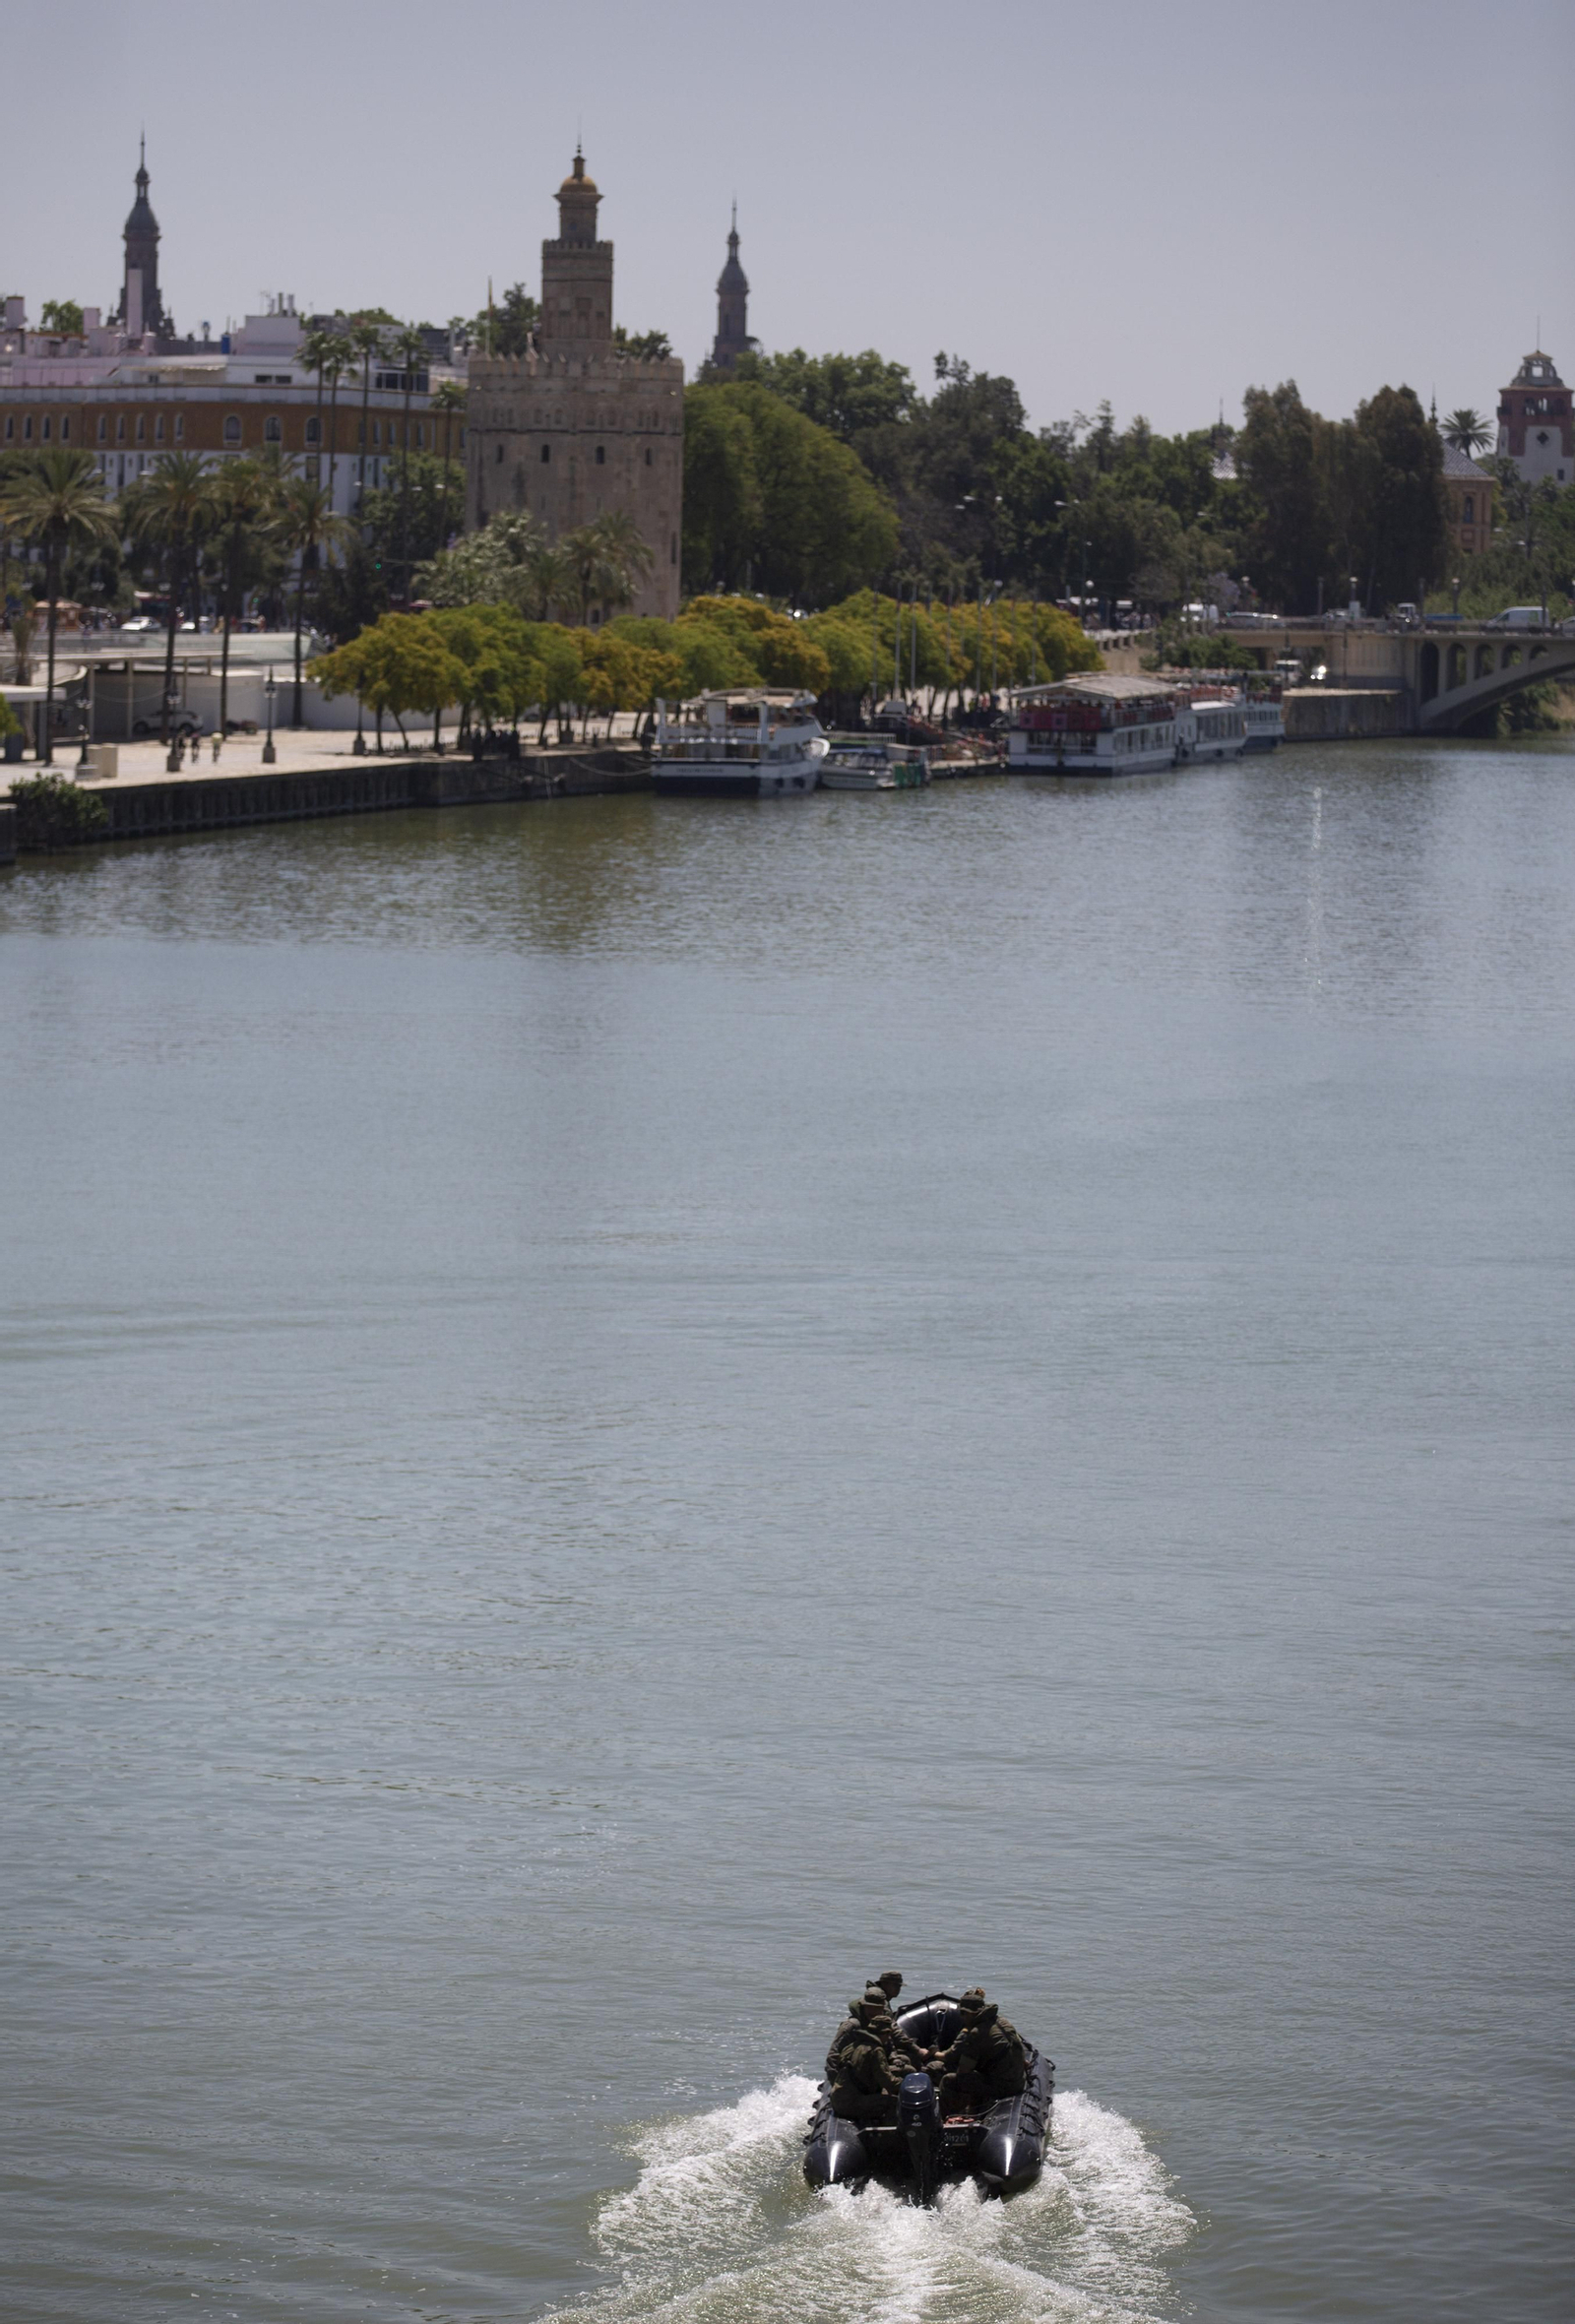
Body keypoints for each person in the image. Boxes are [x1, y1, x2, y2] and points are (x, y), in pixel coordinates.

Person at [934, 1988, 1028, 2115]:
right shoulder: (1003, 2022)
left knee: (949, 2081)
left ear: (969, 2013)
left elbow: (964, 2071)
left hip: (1004, 2087)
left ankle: (946, 2120)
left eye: (962, 2013)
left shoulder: (976, 2033)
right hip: (1018, 2081)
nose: (961, 2017)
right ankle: (974, 2107)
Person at [825, 1991, 906, 2123]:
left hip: (858, 2081)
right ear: (863, 2006)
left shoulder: (868, 2035)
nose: (873, 2010)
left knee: (904, 2067)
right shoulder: (854, 2028)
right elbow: (833, 2058)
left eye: (877, 2008)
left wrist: (894, 2058)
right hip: (852, 2093)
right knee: (895, 2103)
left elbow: (890, 2047)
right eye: (870, 2007)